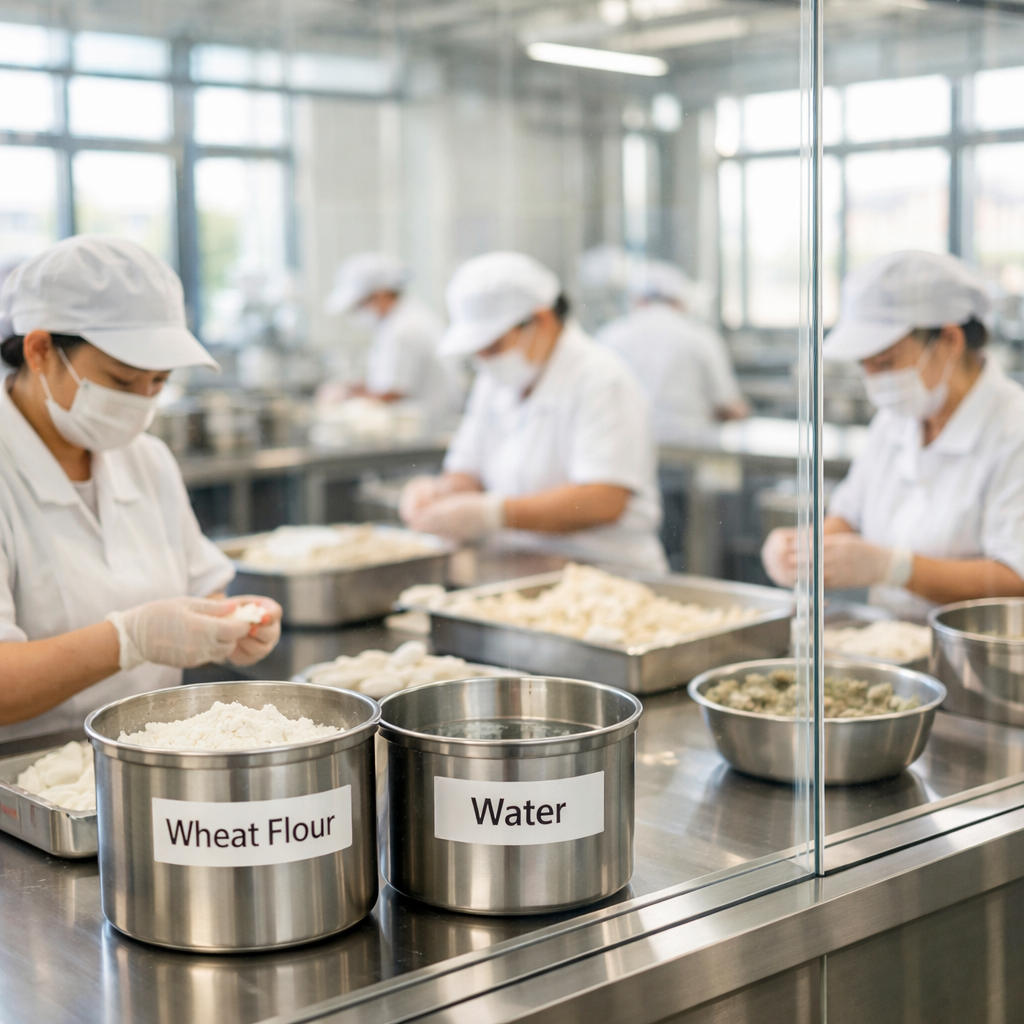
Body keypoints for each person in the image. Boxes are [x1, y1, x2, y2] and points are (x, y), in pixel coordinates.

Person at [0, 235, 282, 742]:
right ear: (40, 350)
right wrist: (129, 639)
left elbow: (202, 587)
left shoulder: (147, 458)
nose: (142, 401)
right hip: (24, 783)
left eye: (158, 383)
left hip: (149, 760)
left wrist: (231, 624)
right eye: (124, 380)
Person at [761, 250, 1024, 620]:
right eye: (864, 365)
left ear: (949, 340)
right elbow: (850, 515)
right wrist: (801, 547)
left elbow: (1015, 578)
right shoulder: (895, 420)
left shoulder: (1014, 430)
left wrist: (896, 569)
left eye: (885, 362)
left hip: (978, 654)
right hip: (894, 640)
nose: (874, 379)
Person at [399, 251, 667, 572]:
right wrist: (440, 494)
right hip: (520, 567)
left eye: (494, 346)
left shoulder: (601, 380)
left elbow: (604, 499)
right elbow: (467, 469)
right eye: (477, 352)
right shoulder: (493, 381)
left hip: (606, 573)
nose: (485, 359)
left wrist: (493, 514)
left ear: (541, 320)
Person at [597, 260, 749, 439]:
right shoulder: (700, 337)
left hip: (627, 444)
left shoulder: (609, 336)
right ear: (679, 300)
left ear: (636, 299)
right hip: (691, 448)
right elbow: (729, 406)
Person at [320, 253, 460, 433]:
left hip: (425, 433)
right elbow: (386, 382)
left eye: (360, 305)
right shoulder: (405, 320)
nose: (359, 314)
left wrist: (346, 394)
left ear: (382, 295)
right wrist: (352, 387)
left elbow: (393, 393)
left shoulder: (404, 329)